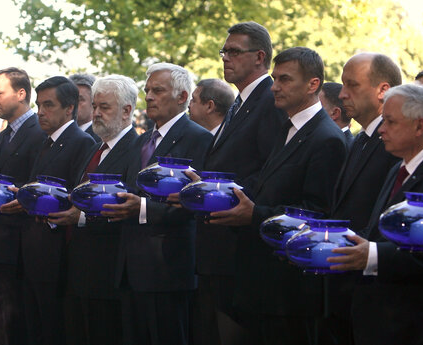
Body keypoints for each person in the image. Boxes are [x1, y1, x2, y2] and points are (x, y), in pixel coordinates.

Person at [208, 47, 347, 345]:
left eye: (285, 80)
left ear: (313, 85)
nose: (274, 87)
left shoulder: (326, 139)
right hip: (262, 284)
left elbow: (318, 214)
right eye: (275, 79)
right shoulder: (289, 128)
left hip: (291, 292)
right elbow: (268, 189)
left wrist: (254, 214)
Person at [328, 83, 423, 344]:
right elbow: (380, 231)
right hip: (377, 318)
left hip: (409, 324)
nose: (381, 130)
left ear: (419, 126)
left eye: (390, 122)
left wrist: (371, 254)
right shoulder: (399, 167)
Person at [106, 62, 212, 345]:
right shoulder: (140, 142)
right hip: (129, 267)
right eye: (147, 90)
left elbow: (195, 203)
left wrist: (140, 208)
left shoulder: (199, 139)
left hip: (168, 269)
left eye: (158, 90)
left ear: (182, 97)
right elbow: (129, 188)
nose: (149, 96)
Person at [194, 22, 286, 345]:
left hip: (240, 247)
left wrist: (217, 194)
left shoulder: (270, 100)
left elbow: (269, 169)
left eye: (234, 52)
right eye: (224, 52)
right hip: (217, 247)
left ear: (260, 56)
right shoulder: (241, 101)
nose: (225, 58)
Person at [0, 76, 95, 345]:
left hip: (57, 255)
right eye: (39, 105)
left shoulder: (82, 142)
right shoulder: (45, 141)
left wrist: (36, 200)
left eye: (49, 105)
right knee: (35, 329)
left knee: (54, 330)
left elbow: (75, 196)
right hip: (33, 250)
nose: (41, 112)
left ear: (69, 109)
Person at [50, 74, 140, 345]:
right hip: (79, 272)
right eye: (96, 106)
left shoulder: (137, 149)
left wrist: (82, 217)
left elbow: (124, 205)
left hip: (108, 276)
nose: (97, 113)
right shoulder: (96, 149)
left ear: (127, 111)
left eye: (105, 107)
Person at [324, 52, 403, 344]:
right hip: (344, 292)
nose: (342, 94)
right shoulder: (359, 139)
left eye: (352, 85)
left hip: (375, 296)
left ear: (383, 90)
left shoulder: (395, 143)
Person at [0, 67, 46, 344]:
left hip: (19, 247)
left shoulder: (40, 131)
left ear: (21, 93)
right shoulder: (4, 135)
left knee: (15, 327)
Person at [70, 73, 101, 142]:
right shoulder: (59, 134)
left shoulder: (100, 139)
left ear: (93, 103)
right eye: (69, 99)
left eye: (79, 100)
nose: (72, 104)